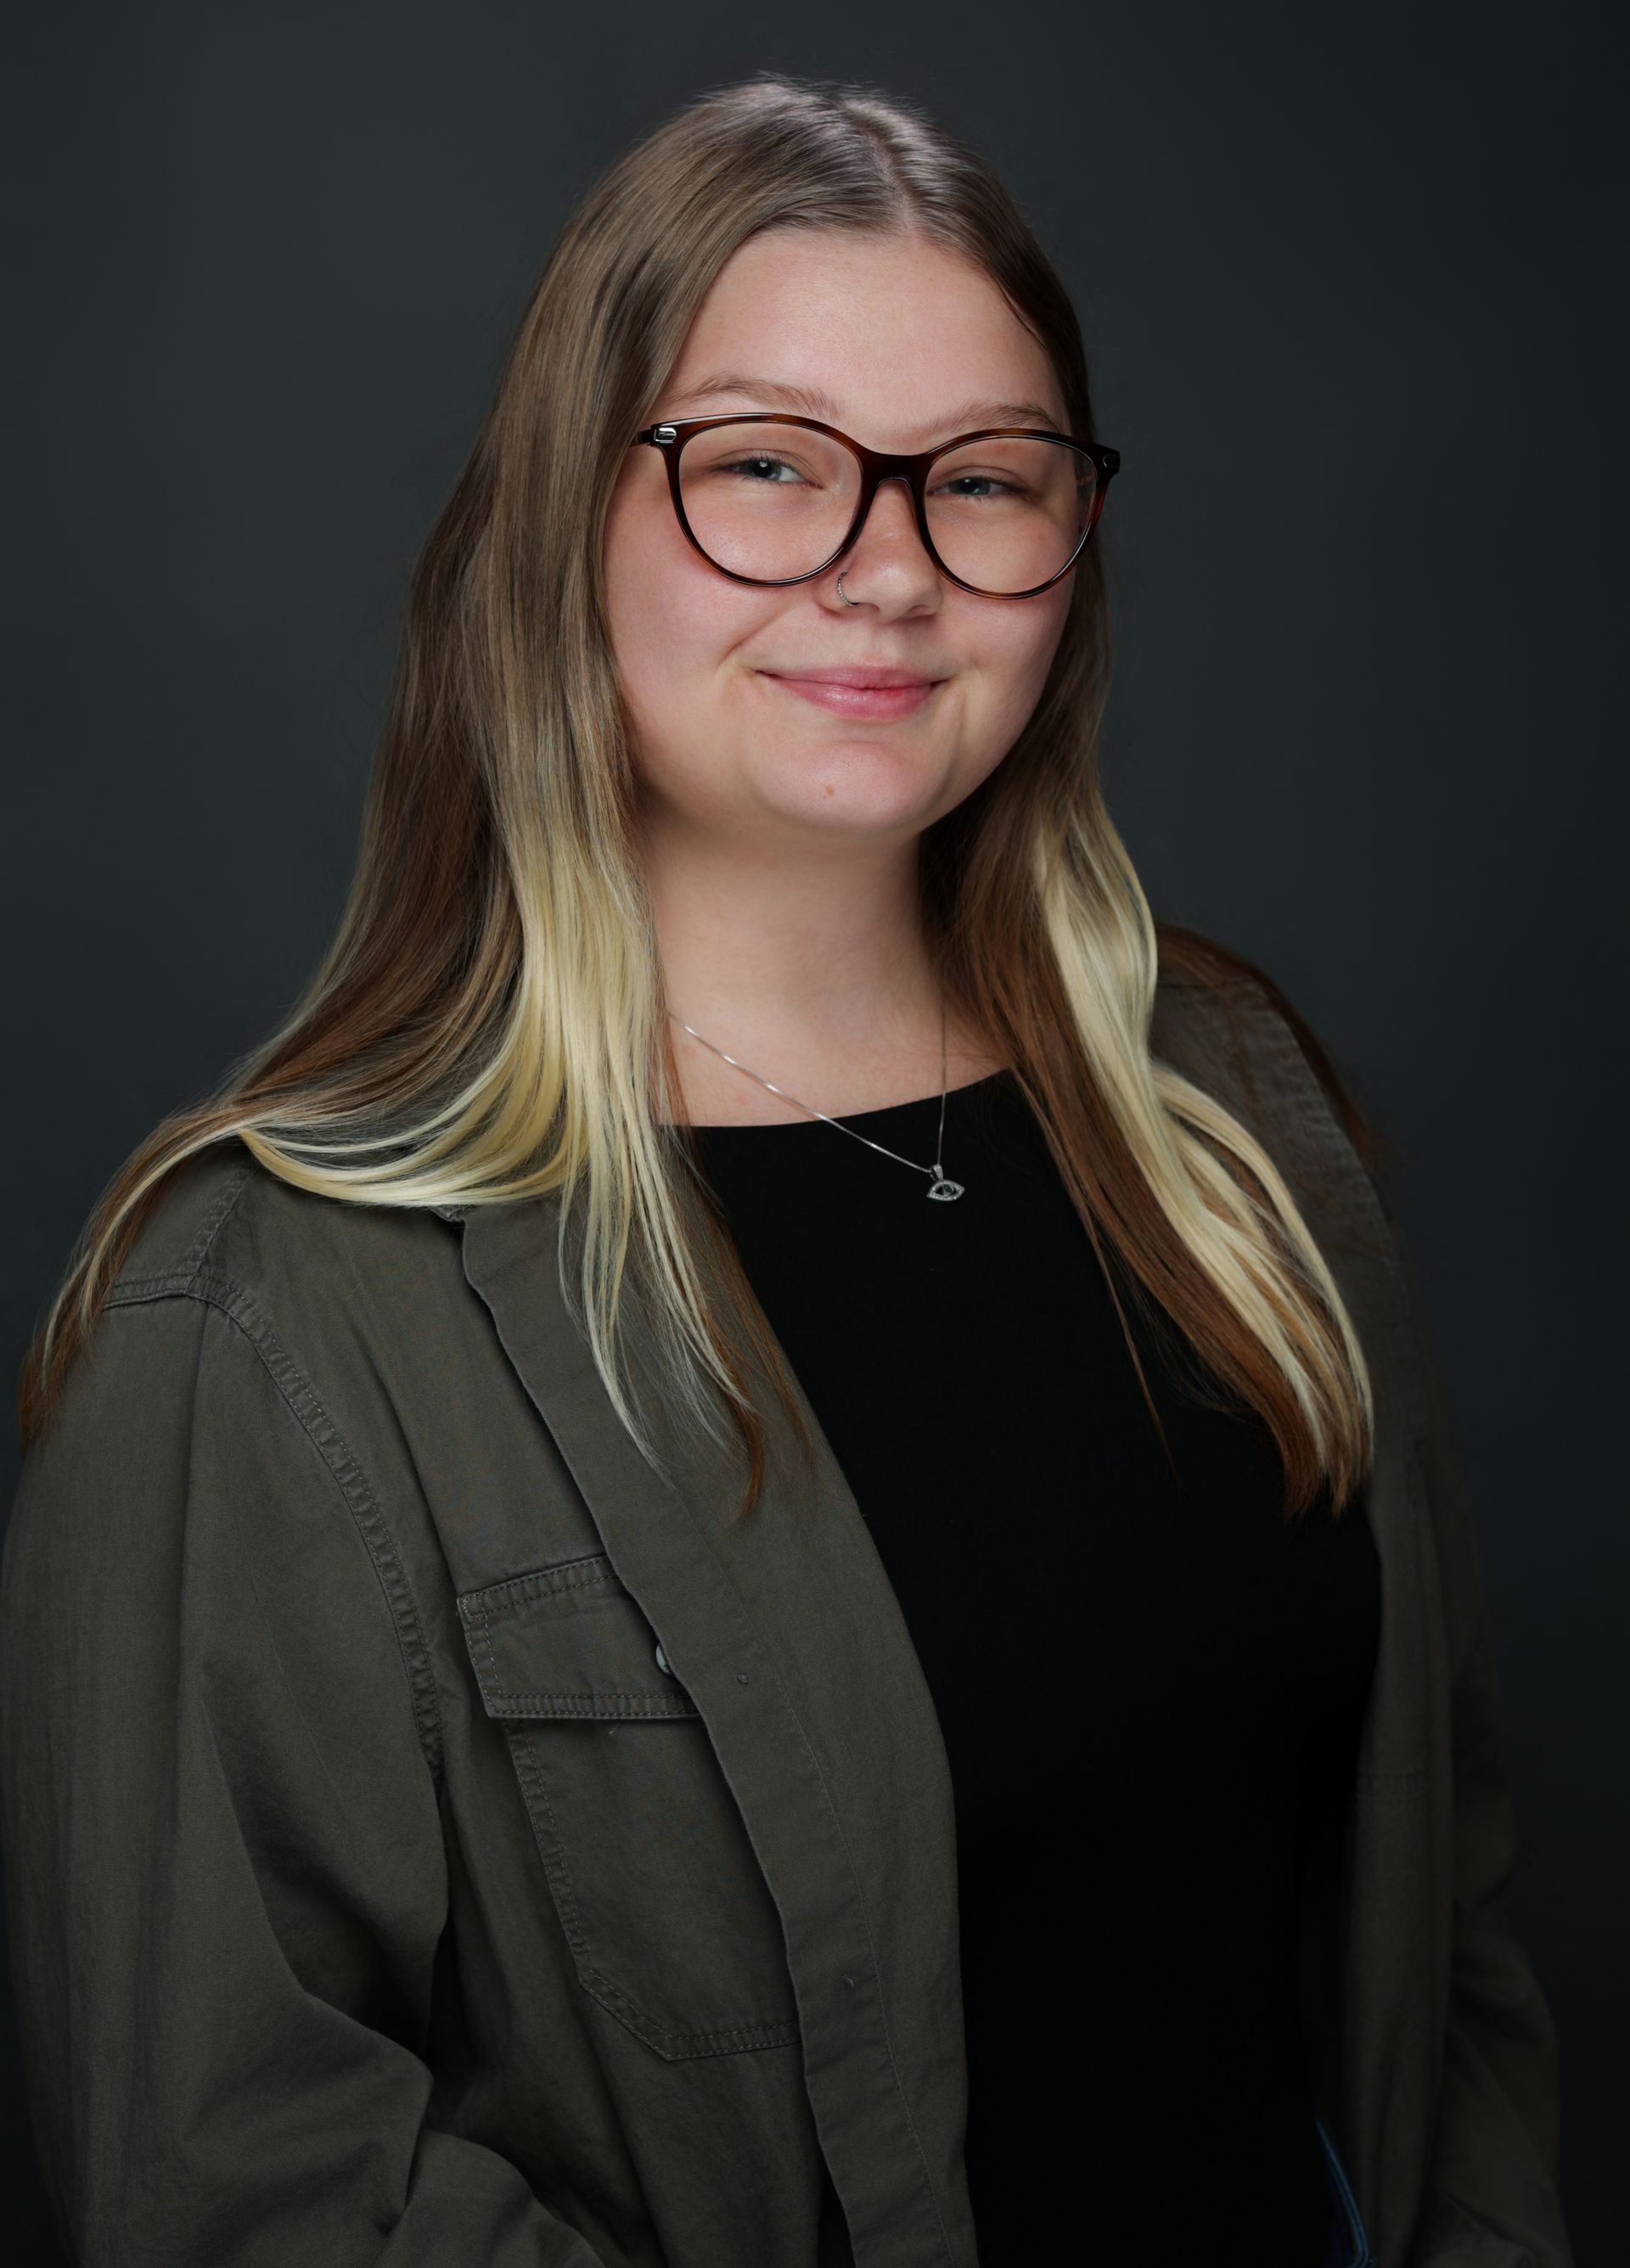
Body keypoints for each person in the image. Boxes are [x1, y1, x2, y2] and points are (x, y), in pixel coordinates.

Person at [0, 72, 1570, 2268]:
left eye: (988, 484)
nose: (892, 574)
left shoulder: (1233, 1125)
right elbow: (240, 2188)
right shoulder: (267, 1320)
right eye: (766, 468)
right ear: (570, 517)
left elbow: (1444, 1953)